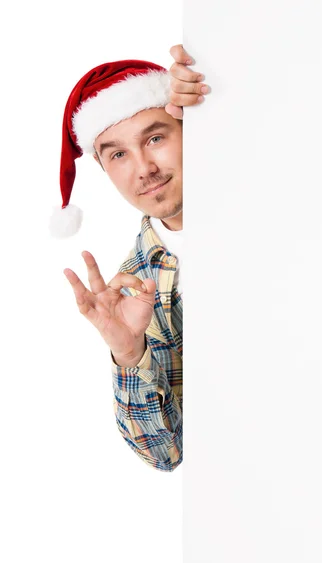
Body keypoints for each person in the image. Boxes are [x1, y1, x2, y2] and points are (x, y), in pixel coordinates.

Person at [52, 45, 209, 472]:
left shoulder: (266, 203)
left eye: (155, 138)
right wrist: (128, 352)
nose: (144, 168)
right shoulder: (138, 285)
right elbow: (168, 455)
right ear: (104, 167)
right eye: (118, 154)